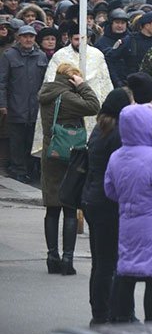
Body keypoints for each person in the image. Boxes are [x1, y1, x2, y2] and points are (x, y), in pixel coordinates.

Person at [104, 104, 152, 324]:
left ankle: (122, 319)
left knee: (127, 274)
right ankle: (151, 324)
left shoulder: (116, 156)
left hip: (127, 223)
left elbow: (110, 190)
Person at [38, 63, 101, 276]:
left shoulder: (47, 93)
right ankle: (67, 259)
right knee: (70, 206)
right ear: (72, 77)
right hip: (70, 155)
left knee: (52, 207)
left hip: (51, 154)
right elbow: (94, 106)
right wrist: (82, 86)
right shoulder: (66, 97)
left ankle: (51, 256)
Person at [81, 88, 132, 325]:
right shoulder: (119, 133)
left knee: (100, 260)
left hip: (92, 198)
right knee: (109, 262)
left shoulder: (100, 127)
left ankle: (99, 311)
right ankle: (105, 313)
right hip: (108, 202)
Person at [0, 25, 48, 182]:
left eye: (31, 36)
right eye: (25, 36)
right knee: (17, 140)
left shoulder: (41, 56)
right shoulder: (9, 56)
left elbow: (46, 83)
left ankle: (30, 169)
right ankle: (18, 169)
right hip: (16, 106)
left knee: (32, 139)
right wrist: (3, 104)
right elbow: (2, 82)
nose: (28, 39)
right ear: (18, 38)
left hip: (35, 107)